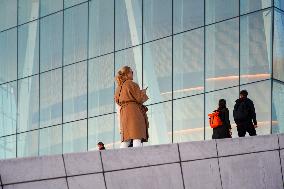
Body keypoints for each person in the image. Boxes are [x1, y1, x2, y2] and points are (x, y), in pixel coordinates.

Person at [114, 66, 149, 148]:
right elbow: (139, 98)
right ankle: (138, 158)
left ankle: (119, 158)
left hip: (124, 113)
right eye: (131, 72)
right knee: (137, 136)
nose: (133, 73)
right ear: (127, 74)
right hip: (133, 111)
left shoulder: (118, 88)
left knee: (126, 139)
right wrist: (143, 92)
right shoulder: (132, 84)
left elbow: (117, 101)